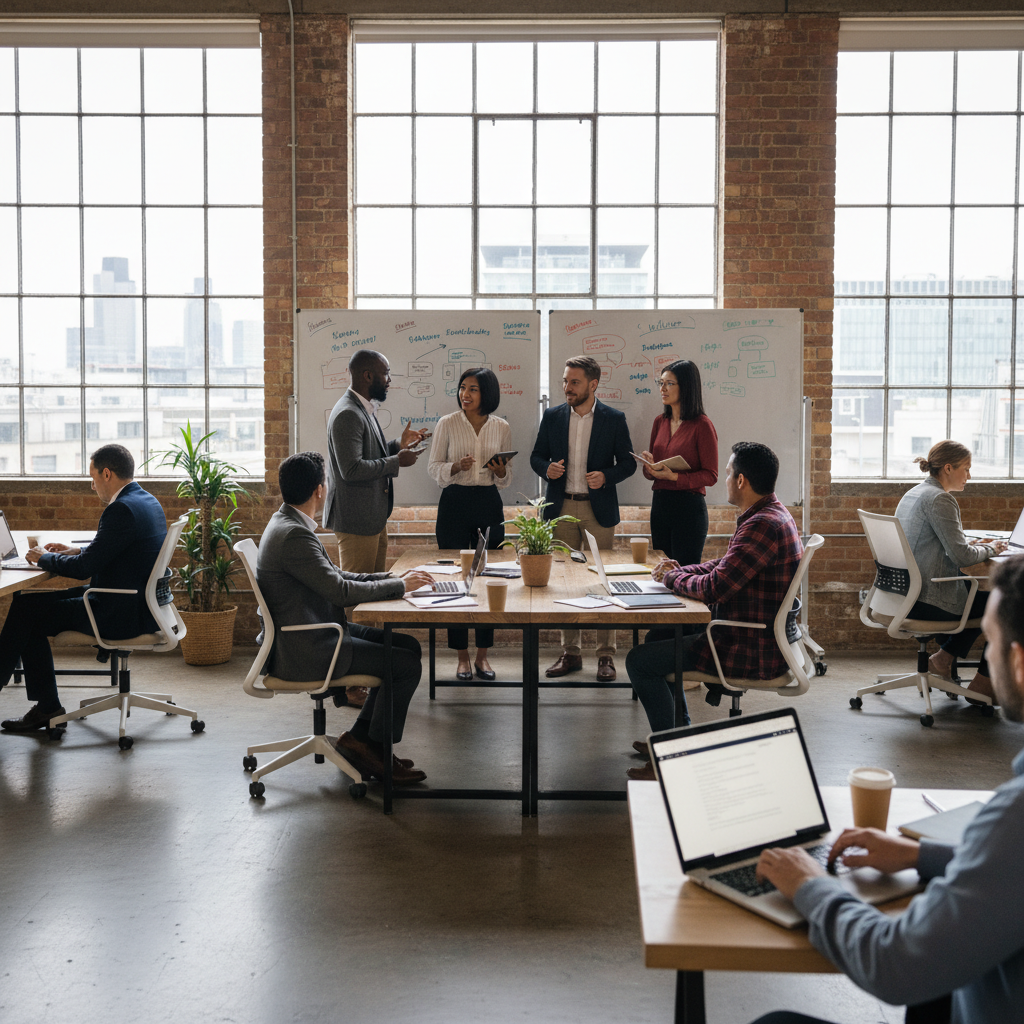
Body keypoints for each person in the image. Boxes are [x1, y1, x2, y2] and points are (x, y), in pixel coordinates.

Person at [750, 555, 1024, 1024]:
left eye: (990, 644)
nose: (988, 657)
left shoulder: (1015, 816)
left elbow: (896, 966)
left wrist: (810, 886)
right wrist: (922, 856)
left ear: (1019, 663)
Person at [624, 442, 802, 780]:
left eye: (729, 473)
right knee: (658, 635)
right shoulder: (769, 514)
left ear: (741, 481)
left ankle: (671, 759)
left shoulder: (763, 525)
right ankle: (677, 737)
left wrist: (673, 578)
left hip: (745, 643)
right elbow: (724, 566)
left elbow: (715, 588)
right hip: (748, 631)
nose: (724, 479)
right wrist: (683, 571)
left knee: (639, 661)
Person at [258, 451, 436, 785]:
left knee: (407, 646)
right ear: (319, 490)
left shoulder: (288, 523)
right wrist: (398, 585)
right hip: (308, 645)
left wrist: (395, 577)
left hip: (311, 630)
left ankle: (360, 740)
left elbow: (336, 576)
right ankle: (375, 750)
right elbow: (340, 592)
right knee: (405, 665)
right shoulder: (295, 535)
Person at [0, 444, 167, 732]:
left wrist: (44, 558)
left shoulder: (121, 509)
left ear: (106, 473)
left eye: (92, 479)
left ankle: (47, 706)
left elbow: (82, 572)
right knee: (26, 603)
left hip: (115, 612)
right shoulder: (146, 501)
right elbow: (113, 551)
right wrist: (75, 550)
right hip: (136, 604)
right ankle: (46, 707)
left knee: (26, 613)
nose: (92, 486)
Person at [322, 348, 428, 707]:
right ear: (368, 376)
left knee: (372, 596)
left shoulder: (363, 410)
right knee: (354, 601)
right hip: (356, 521)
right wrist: (396, 460)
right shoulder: (347, 414)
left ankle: (362, 674)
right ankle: (347, 685)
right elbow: (351, 470)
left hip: (371, 518)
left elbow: (370, 456)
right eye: (386, 373)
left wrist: (400, 445)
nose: (389, 379)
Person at [530, 355, 636, 682]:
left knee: (600, 581)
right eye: (564, 381)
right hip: (561, 508)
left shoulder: (614, 419)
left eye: (573, 382)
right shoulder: (552, 416)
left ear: (593, 384)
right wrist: (545, 469)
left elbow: (629, 464)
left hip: (597, 509)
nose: (566, 388)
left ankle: (606, 655)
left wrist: (606, 476)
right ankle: (570, 653)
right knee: (565, 581)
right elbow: (536, 456)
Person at [895, 439, 1007, 705]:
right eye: (966, 468)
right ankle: (983, 685)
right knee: (1006, 604)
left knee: (982, 597)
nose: (969, 475)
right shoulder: (940, 499)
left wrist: (971, 546)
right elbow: (961, 557)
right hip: (928, 599)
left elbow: (939, 546)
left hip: (902, 595)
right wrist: (991, 548)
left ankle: (943, 659)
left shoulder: (915, 493)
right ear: (948, 468)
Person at [428, 367, 512, 682]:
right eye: (463, 388)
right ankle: (461, 658)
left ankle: (482, 657)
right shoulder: (447, 424)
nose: (465, 394)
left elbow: (505, 479)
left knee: (488, 576)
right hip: (454, 503)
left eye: (473, 389)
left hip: (489, 503)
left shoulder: (501, 427)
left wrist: (501, 470)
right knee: (456, 577)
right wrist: (454, 466)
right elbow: (433, 468)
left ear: (486, 393)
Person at [637, 358, 718, 644]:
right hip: (661, 505)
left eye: (669, 383)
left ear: (687, 387)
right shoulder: (660, 422)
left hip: (688, 508)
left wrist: (676, 478)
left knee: (684, 576)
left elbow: (711, 475)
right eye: (661, 383)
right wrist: (650, 467)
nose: (663, 388)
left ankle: (686, 649)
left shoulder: (702, 425)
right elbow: (655, 473)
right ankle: (662, 644)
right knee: (661, 573)